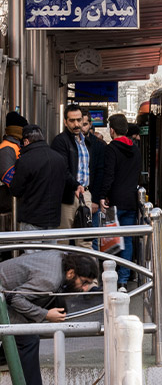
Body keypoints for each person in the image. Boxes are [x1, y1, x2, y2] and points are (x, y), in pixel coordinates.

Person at [0, 251, 98, 385]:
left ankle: (8, 353)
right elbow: (15, 298)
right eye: (84, 282)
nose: (85, 288)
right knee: (29, 338)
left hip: (7, 291)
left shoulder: (60, 258)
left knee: (57, 304)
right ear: (71, 273)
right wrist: (45, 314)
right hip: (5, 296)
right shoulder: (51, 280)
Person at [95, 114, 142, 290]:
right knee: (127, 240)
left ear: (112, 130)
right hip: (130, 201)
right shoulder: (136, 150)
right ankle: (123, 279)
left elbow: (109, 175)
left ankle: (111, 278)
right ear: (127, 130)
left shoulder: (111, 149)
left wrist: (102, 195)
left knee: (111, 241)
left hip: (112, 202)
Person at [10, 125, 72, 237]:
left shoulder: (24, 160)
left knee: (33, 254)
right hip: (53, 218)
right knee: (50, 253)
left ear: (26, 141)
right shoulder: (59, 159)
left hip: (31, 218)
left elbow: (16, 190)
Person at [50, 105, 93, 239]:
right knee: (64, 238)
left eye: (79, 120)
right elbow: (62, 169)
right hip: (68, 195)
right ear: (65, 122)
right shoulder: (61, 141)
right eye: (72, 120)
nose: (76, 124)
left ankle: (86, 261)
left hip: (85, 194)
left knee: (85, 240)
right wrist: (75, 185)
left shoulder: (85, 141)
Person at [81, 109, 106, 247]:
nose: (81, 127)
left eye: (84, 123)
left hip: (90, 197)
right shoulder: (66, 142)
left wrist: (96, 199)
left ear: (90, 124)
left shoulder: (99, 145)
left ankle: (91, 268)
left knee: (91, 240)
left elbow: (100, 173)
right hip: (71, 197)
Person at [0, 111, 28, 219]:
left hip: (13, 203)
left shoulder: (15, 146)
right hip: (7, 203)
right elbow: (9, 179)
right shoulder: (7, 148)